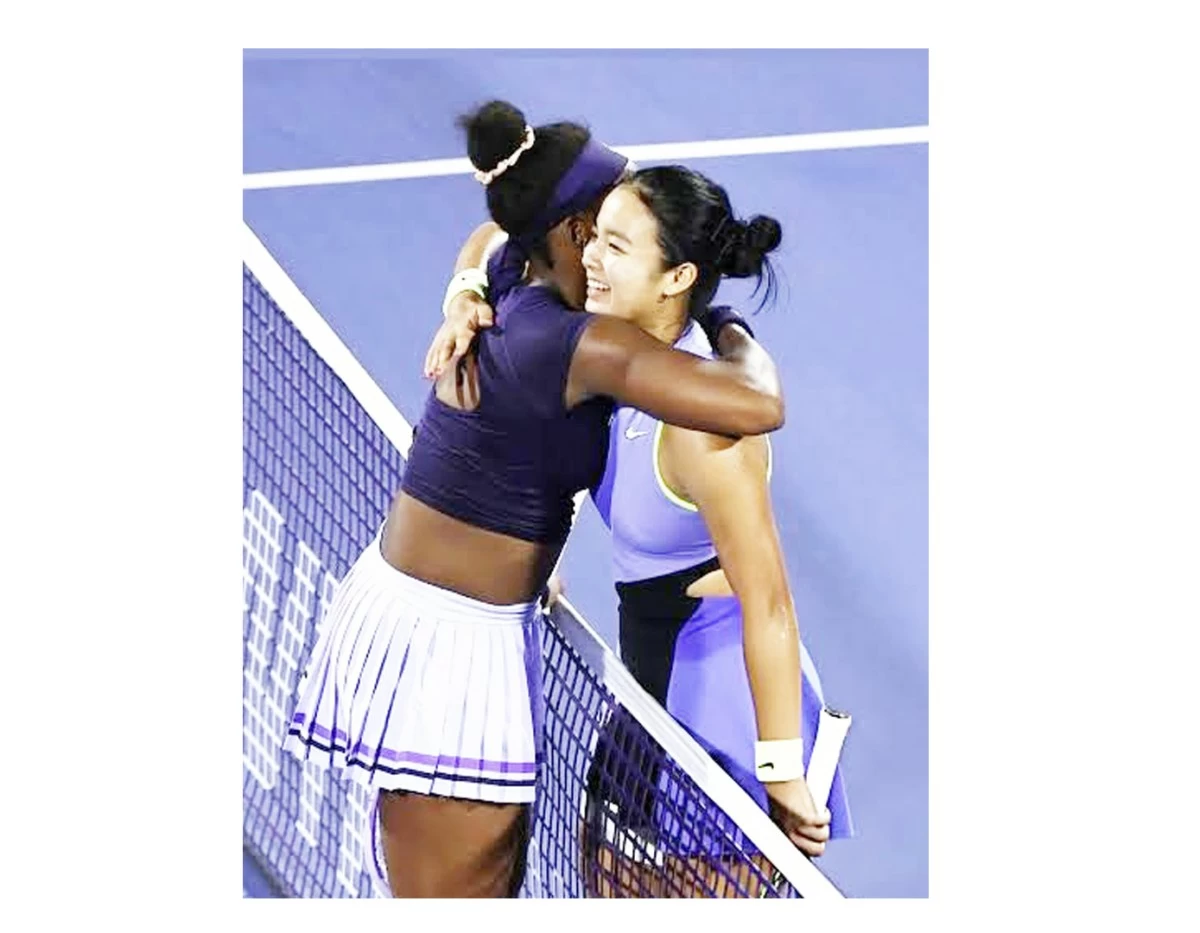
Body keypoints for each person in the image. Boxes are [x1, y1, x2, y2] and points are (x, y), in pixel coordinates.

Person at [283, 100, 787, 899]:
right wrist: (727, 325)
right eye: (611, 217)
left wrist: (459, 290)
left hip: (433, 609)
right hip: (453, 645)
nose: (621, 220)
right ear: (576, 232)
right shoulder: (580, 342)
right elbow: (756, 404)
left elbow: (484, 237)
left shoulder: (516, 269)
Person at [433, 164, 852, 898]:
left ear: (676, 276)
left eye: (617, 248)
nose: (589, 256)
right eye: (593, 236)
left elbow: (771, 602)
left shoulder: (704, 428)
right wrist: (465, 295)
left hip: (722, 709)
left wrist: (779, 768)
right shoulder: (607, 346)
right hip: (645, 688)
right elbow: (497, 234)